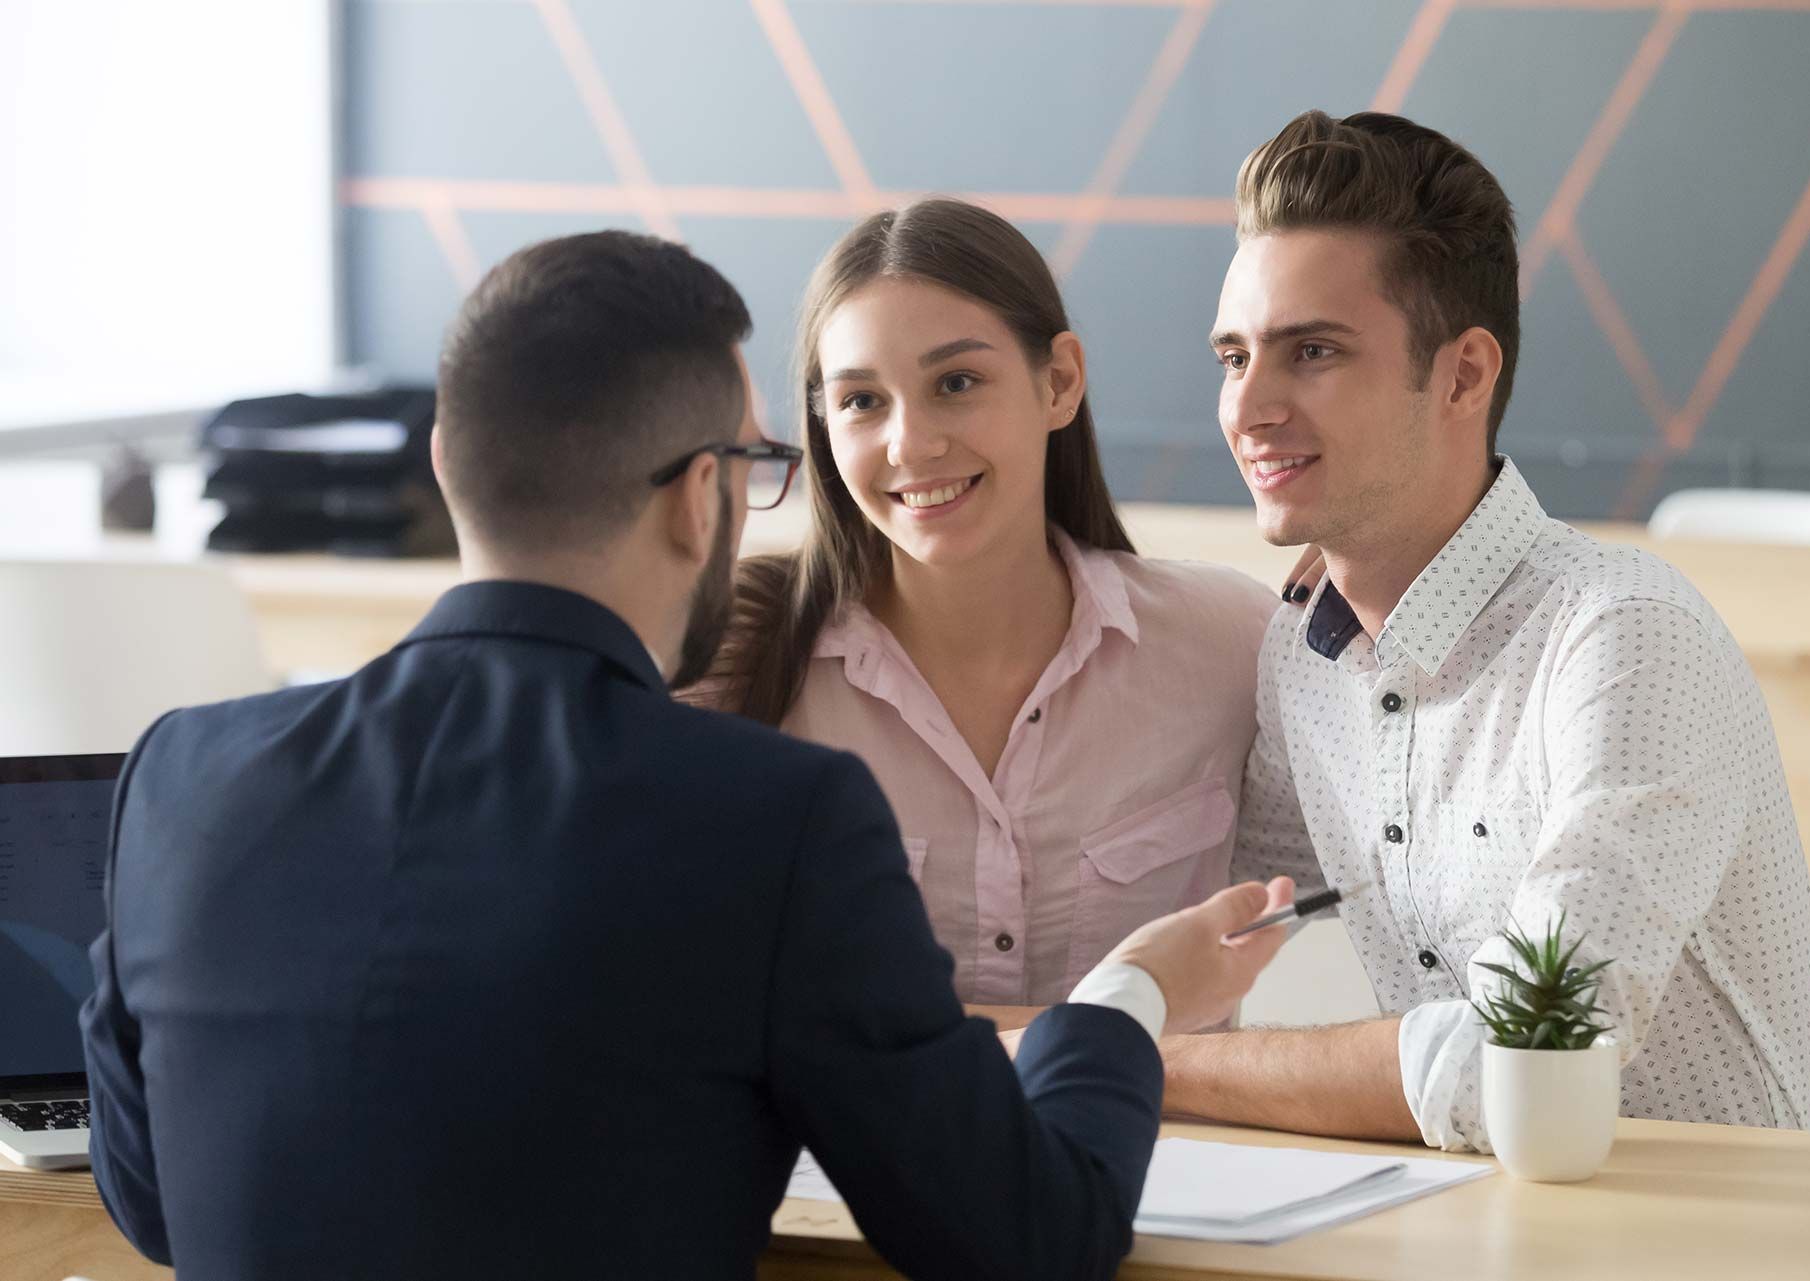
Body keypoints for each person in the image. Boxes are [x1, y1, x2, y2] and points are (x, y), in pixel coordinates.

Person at [78, 231, 1295, 1279]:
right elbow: (1032, 1239)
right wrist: (1129, 999)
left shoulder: (182, 778)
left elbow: (153, 1203)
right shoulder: (773, 820)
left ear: (447, 464)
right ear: (698, 499)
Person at [1158, 110, 1810, 1152]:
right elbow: (1257, 991)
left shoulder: (1623, 636)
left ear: (1465, 374)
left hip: (1696, 1250)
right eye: (1233, 357)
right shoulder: (1303, 655)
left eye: (1314, 351)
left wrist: (1145, 1066)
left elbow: (1527, 1056)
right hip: (1442, 1228)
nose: (1248, 406)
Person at [699, 199, 1279, 1021]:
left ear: (1060, 382)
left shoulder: (1230, 644)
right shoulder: (740, 665)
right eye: (863, 400)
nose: (912, 444)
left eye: (957, 383)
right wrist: (1127, 1008)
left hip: (1166, 1150)